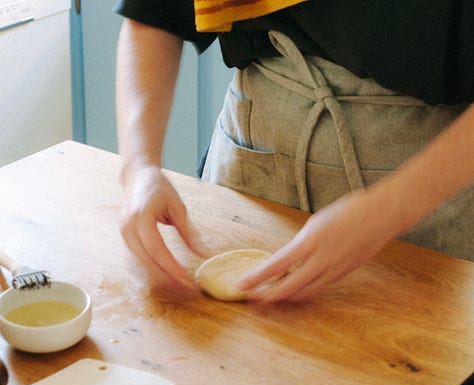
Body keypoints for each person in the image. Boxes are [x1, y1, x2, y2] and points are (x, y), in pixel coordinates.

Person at [113, 0, 474, 303]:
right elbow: (153, 14)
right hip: (247, 176)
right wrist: (139, 166)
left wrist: (390, 209)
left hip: (426, 196)